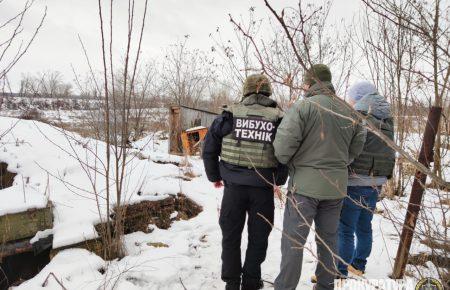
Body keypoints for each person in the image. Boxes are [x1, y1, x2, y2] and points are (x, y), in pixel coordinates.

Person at [272, 64, 366, 290]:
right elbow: (356, 148)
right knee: (329, 241)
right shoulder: (349, 111)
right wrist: (338, 164)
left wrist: (295, 162)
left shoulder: (303, 107)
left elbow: (282, 148)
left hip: (304, 188)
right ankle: (325, 286)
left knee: (294, 242)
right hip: (335, 188)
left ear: (309, 83)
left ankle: (285, 287)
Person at [202, 74, 289, 290]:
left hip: (234, 189)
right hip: (263, 189)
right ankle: (251, 282)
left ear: (246, 91)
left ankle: (232, 283)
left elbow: (209, 150)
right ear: (268, 92)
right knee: (258, 237)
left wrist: (215, 176)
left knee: (231, 235)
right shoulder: (279, 119)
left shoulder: (229, 116)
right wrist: (277, 180)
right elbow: (287, 154)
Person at [337, 81, 395, 277]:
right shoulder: (388, 120)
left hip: (355, 180)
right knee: (364, 224)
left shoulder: (358, 118)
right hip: (376, 182)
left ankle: (339, 270)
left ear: (359, 98)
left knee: (345, 228)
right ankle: (358, 264)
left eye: (351, 98)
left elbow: (348, 147)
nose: (349, 102)